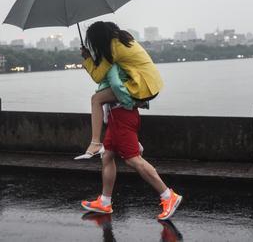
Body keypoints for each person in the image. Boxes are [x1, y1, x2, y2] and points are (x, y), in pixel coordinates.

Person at [77, 21, 182, 220]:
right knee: (107, 157)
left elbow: (99, 76)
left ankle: (169, 196)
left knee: (133, 159)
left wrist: (88, 59)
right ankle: (105, 202)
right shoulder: (121, 41)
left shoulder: (112, 49)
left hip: (132, 102)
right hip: (133, 100)